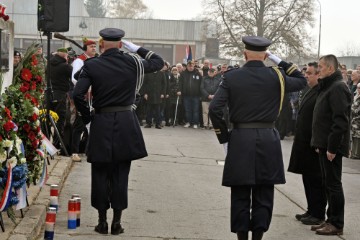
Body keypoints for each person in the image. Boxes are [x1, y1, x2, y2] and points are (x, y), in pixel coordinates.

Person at [209, 36, 306, 240]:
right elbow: (301, 79)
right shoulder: (277, 76)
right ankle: (258, 237)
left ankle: (242, 237)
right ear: (265, 55)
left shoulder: (232, 77)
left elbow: (215, 109)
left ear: (244, 54)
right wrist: (278, 60)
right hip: (268, 138)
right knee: (264, 191)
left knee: (240, 191)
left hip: (240, 138)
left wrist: (224, 138)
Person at [73, 28, 164, 235]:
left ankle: (101, 221)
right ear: (121, 44)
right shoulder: (133, 62)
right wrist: (138, 48)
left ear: (102, 44)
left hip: (101, 121)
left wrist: (88, 119)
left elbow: (78, 93)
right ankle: (117, 223)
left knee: (100, 172)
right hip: (125, 121)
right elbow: (158, 62)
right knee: (121, 173)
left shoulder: (93, 64)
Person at [310, 54, 351, 236]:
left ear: (330, 69)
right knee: (327, 183)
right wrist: (320, 143)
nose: (318, 70)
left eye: (321, 66)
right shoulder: (328, 86)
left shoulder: (337, 88)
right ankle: (329, 219)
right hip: (324, 144)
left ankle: (336, 223)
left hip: (332, 147)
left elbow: (340, 121)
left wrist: (332, 147)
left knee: (333, 185)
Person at [288, 62, 327, 226]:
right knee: (307, 178)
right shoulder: (310, 90)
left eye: (310, 73)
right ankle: (311, 209)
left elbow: (322, 120)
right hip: (304, 142)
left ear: (318, 75)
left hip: (314, 143)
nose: (306, 76)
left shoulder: (322, 92)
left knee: (316, 180)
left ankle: (318, 213)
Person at [70, 37, 97, 162]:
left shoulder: (94, 61)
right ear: (86, 48)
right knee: (79, 125)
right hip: (82, 97)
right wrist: (86, 85)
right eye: (92, 47)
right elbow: (74, 79)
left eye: (95, 47)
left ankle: (88, 150)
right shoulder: (79, 61)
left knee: (92, 125)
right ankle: (74, 151)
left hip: (93, 97)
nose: (94, 49)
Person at [48, 48, 73, 153]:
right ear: (65, 56)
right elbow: (72, 75)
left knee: (47, 119)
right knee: (60, 119)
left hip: (49, 93)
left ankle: (47, 145)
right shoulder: (65, 66)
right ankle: (57, 143)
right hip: (61, 94)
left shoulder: (49, 63)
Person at [179, 60, 202, 129]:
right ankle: (188, 122)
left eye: (192, 66)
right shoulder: (183, 74)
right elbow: (180, 84)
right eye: (189, 66)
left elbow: (201, 84)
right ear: (187, 66)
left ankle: (195, 123)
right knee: (187, 110)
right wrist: (180, 91)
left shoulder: (198, 73)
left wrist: (200, 94)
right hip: (186, 95)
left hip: (196, 95)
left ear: (193, 66)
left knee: (195, 110)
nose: (190, 67)